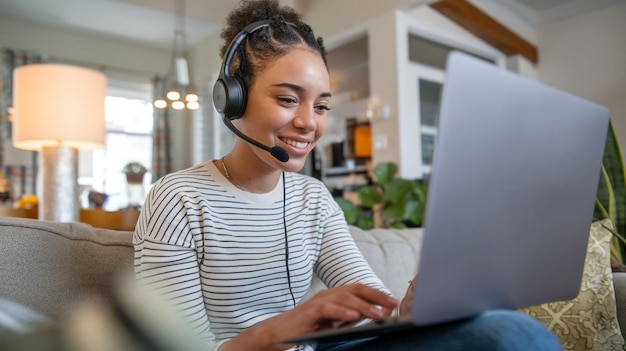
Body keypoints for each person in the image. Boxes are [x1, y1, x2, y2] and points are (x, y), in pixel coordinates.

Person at [133, 1, 562, 350]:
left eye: (321, 106)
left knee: (506, 332)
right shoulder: (179, 198)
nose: (308, 122)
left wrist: (406, 310)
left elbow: (375, 306)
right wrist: (283, 327)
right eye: (287, 99)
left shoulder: (313, 199)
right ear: (233, 99)